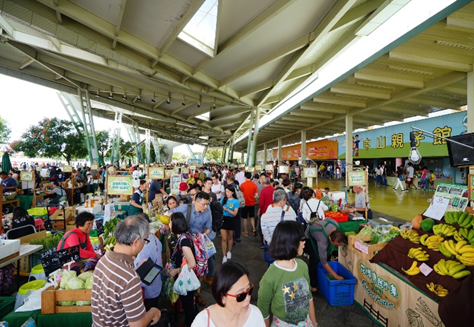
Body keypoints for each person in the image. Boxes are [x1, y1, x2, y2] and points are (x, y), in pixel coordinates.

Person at [92, 216, 161, 326]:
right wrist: (153, 311)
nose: (145, 244)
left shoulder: (103, 260)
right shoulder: (130, 278)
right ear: (136, 241)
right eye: (146, 240)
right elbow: (137, 325)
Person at [258, 221, 317, 326]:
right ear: (291, 242)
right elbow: (263, 312)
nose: (304, 243)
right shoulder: (269, 277)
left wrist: (314, 323)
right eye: (302, 239)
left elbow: (309, 297)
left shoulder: (302, 266)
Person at [169, 191, 213, 306]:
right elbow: (169, 214)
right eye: (203, 204)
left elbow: (209, 228)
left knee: (201, 267)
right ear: (195, 202)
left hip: (198, 244)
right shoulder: (185, 208)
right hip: (185, 242)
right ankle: (184, 291)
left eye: (207, 204)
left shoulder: (208, 212)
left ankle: (196, 293)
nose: (205, 207)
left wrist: (202, 236)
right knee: (186, 267)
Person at [192, 261, 265, 327]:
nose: (248, 298)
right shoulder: (202, 323)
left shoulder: (255, 315)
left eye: (249, 290)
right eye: (241, 296)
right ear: (223, 297)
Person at [133, 213, 163, 327]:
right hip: (155, 284)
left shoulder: (144, 246)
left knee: (149, 319)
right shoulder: (153, 237)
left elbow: (138, 271)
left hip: (147, 289)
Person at [169, 212, 198, 327]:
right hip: (186, 274)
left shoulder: (184, 241)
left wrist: (176, 271)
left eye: (170, 221)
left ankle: (190, 323)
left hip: (186, 275)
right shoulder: (184, 236)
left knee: (187, 304)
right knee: (188, 301)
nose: (169, 224)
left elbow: (192, 263)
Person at [306, 218, 345, 292]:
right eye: (335, 244)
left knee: (326, 254)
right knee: (314, 259)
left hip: (320, 230)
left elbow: (327, 218)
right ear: (330, 239)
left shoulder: (335, 224)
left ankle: (323, 275)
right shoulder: (322, 239)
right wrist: (336, 276)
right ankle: (313, 285)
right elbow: (323, 261)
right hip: (310, 236)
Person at [220, 185, 239, 264]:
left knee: (230, 237)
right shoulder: (223, 198)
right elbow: (219, 207)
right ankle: (224, 255)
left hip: (231, 219)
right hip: (223, 219)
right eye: (226, 191)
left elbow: (235, 213)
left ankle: (229, 251)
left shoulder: (235, 201)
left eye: (228, 192)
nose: (227, 193)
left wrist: (227, 209)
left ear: (232, 192)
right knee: (224, 238)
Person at [240, 172, 258, 237]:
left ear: (245, 177)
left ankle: (246, 231)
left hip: (244, 203)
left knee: (244, 218)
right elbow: (256, 195)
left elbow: (240, 195)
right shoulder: (254, 185)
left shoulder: (242, 185)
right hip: (252, 203)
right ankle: (254, 228)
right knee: (252, 217)